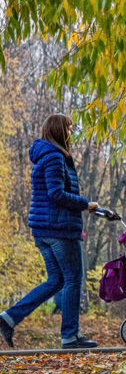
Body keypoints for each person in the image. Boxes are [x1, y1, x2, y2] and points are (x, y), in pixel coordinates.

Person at [0, 114, 99, 349]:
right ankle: (70, 336)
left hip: (44, 230)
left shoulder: (44, 156)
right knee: (73, 279)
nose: (72, 131)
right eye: (69, 127)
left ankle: (8, 318)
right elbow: (56, 194)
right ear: (59, 130)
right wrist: (86, 204)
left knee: (56, 280)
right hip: (59, 230)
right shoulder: (55, 157)